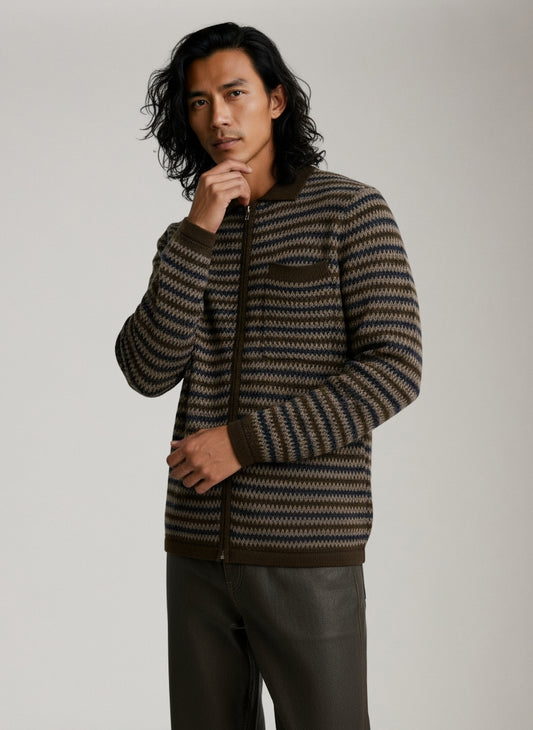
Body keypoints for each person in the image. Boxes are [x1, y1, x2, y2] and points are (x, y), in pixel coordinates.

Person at [115, 21, 422, 730]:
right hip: (196, 550)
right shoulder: (187, 237)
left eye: (235, 94)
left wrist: (241, 443)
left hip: (306, 549)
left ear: (276, 100)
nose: (217, 118)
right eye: (198, 102)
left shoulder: (351, 211)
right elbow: (146, 368)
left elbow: (394, 368)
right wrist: (197, 231)